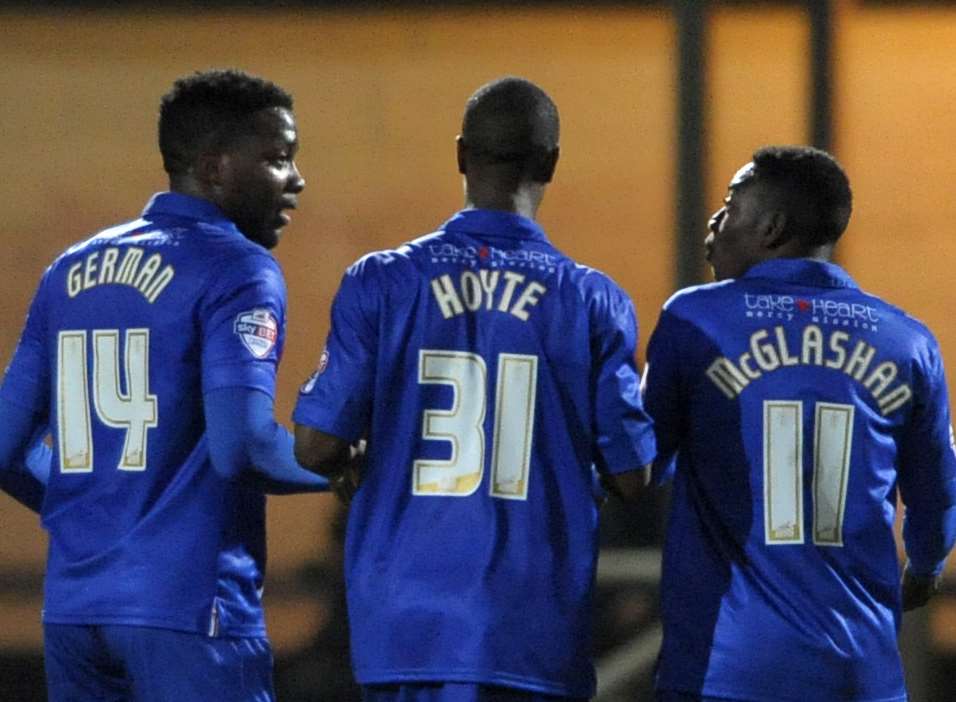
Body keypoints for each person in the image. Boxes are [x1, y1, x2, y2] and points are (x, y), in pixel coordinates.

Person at [292, 76, 657, 702]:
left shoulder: (381, 281)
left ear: (461, 154)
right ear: (551, 163)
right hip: (531, 627)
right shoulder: (593, 301)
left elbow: (317, 445)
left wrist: (355, 462)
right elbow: (632, 473)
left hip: (402, 625)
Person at [0, 68, 331, 701]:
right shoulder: (238, 266)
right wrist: (346, 466)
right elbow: (246, 449)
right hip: (188, 613)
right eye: (278, 158)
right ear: (214, 169)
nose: (296, 179)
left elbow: (4, 448)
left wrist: (99, 518)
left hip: (75, 612)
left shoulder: (69, 269)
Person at [643, 145, 956, 702]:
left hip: (724, 669)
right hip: (860, 674)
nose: (716, 219)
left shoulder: (695, 319)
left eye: (730, 202)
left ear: (772, 226)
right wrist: (924, 570)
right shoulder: (907, 341)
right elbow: (935, 499)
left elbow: (642, 463)